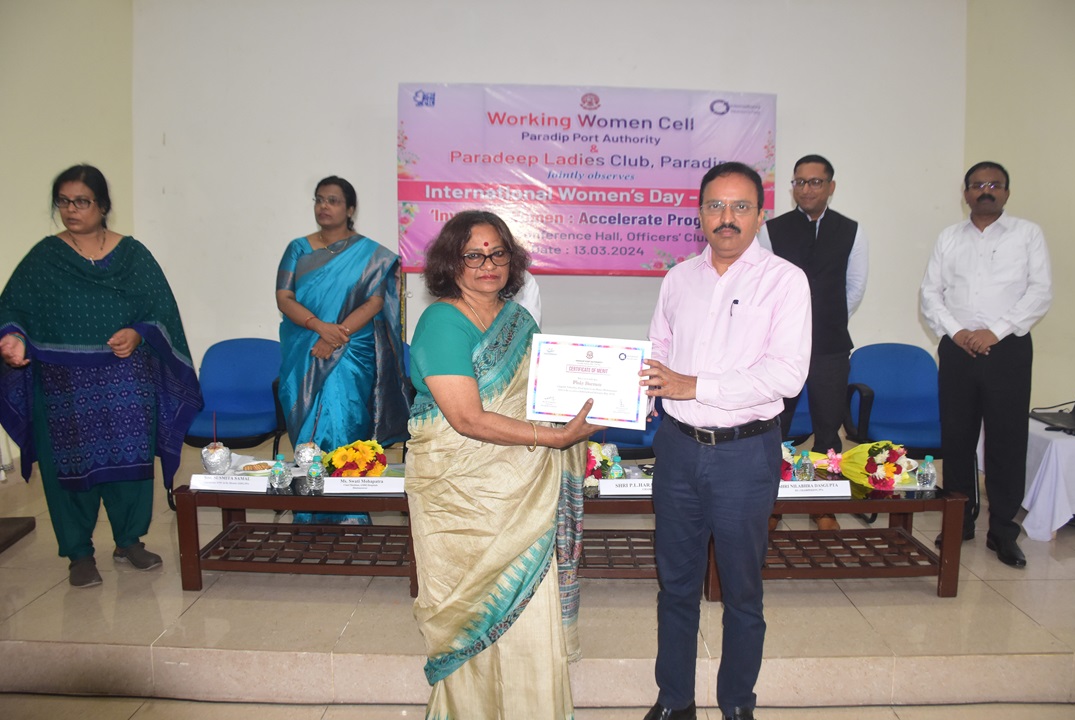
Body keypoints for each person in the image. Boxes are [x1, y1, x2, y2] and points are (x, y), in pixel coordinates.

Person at [405, 209, 600, 719]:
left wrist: (602, 401)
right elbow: (467, 418)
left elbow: (546, 394)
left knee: (529, 606)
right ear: (451, 263)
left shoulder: (520, 321)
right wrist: (556, 437)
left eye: (498, 254)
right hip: (462, 495)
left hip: (524, 492)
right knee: (471, 607)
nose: (488, 265)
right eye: (474, 255)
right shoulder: (440, 322)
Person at [639, 162, 812, 720]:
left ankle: (737, 703)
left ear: (761, 216)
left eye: (741, 207)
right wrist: (636, 392)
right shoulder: (677, 279)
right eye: (716, 206)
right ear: (700, 214)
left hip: (744, 453)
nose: (727, 218)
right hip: (678, 449)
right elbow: (658, 352)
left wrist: (696, 385)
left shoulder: (785, 281)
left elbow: (786, 375)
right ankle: (675, 700)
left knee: (741, 590)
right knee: (676, 586)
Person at [0, 164, 202, 588]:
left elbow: (160, 311)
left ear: (103, 205)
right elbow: (13, 308)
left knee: (131, 463)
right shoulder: (45, 257)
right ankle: (78, 553)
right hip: (64, 385)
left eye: (81, 201)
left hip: (126, 380)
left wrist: (138, 333)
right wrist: (13, 337)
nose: (71, 210)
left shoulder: (132, 254)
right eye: (63, 201)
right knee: (70, 468)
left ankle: (129, 541)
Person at [919, 161, 1051, 568]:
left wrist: (995, 331)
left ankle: (1003, 531)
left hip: (1007, 350)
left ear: (1007, 192)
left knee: (1006, 442)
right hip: (958, 350)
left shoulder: (1027, 234)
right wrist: (958, 333)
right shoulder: (949, 237)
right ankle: (960, 521)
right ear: (966, 193)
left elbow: (1040, 292)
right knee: (956, 439)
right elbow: (930, 293)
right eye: (977, 185)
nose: (985, 191)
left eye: (994, 185)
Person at [275, 175, 411, 522]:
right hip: (305, 349)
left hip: (351, 349)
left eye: (333, 200)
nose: (324, 206)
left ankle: (349, 512)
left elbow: (375, 302)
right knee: (307, 431)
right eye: (319, 199)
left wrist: (337, 335)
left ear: (350, 209)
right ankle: (308, 511)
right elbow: (284, 297)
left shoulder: (370, 254)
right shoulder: (298, 249)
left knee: (347, 422)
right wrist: (319, 328)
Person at [759, 154, 868, 532]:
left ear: (830, 187)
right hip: (780, 346)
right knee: (775, 425)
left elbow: (854, 288)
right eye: (800, 182)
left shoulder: (851, 231)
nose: (806, 189)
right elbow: (763, 288)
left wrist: (823, 320)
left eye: (815, 182)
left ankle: (822, 504)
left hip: (830, 345)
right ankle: (772, 503)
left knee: (828, 426)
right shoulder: (772, 231)